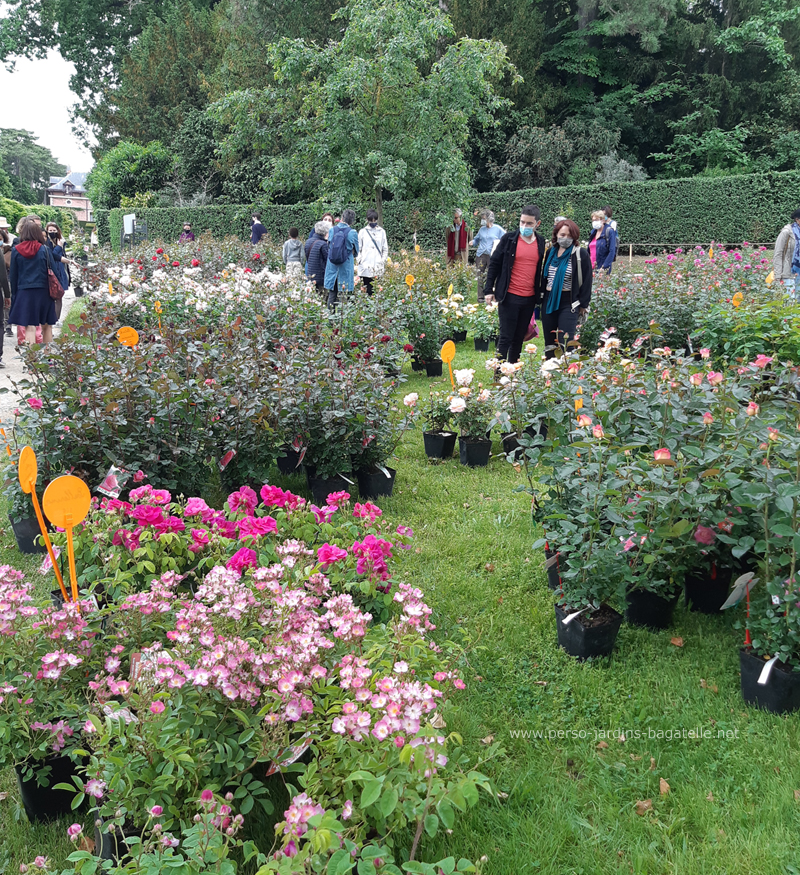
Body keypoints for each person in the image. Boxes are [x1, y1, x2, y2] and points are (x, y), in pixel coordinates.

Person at [482, 205, 546, 364]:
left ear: (537, 224)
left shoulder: (540, 242)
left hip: (529, 298)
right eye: (522, 222)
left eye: (529, 224)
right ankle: (499, 376)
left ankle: (512, 375)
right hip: (509, 296)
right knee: (505, 338)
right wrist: (488, 290)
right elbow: (494, 264)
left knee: (518, 338)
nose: (524, 226)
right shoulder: (509, 239)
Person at [540, 219, 593, 359]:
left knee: (567, 342)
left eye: (569, 236)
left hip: (569, 302)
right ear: (556, 234)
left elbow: (587, 281)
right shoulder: (551, 252)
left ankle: (568, 373)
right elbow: (545, 277)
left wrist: (583, 304)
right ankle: (549, 373)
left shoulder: (580, 254)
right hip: (549, 301)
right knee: (549, 343)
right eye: (562, 235)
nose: (565, 238)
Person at [9, 217, 57, 346]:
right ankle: (49, 359)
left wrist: (14, 295)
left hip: (25, 292)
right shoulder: (45, 250)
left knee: (30, 326)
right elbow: (54, 272)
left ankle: (32, 362)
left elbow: (13, 276)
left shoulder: (16, 250)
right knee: (47, 326)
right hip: (44, 292)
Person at [324, 208, 359, 309]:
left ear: (342, 217)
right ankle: (342, 320)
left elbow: (329, 246)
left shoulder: (332, 230)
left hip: (332, 266)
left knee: (332, 294)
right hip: (345, 267)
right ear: (352, 221)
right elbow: (356, 251)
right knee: (344, 296)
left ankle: (330, 320)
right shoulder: (352, 232)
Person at [470, 210, 505, 301]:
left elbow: (505, 238)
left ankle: (492, 295)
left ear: (489, 219)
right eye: (482, 218)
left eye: (484, 218)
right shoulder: (482, 229)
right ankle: (480, 297)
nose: (483, 220)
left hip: (492, 255)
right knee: (480, 275)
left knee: (492, 275)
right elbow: (476, 239)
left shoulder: (498, 229)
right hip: (481, 254)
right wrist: (473, 242)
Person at [357, 209, 388, 296]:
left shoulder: (382, 232)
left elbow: (385, 249)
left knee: (376, 291)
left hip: (378, 266)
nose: (373, 222)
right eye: (371, 220)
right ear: (367, 220)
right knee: (366, 291)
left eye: (375, 220)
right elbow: (358, 249)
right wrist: (360, 260)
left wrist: (382, 261)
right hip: (365, 266)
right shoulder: (362, 232)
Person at [772, 208, 800, 298]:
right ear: (797, 219)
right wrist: (778, 275)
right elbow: (778, 253)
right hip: (789, 274)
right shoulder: (787, 232)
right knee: (790, 304)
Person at [306, 221, 330, 294]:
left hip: (310, 275)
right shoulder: (323, 244)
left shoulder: (308, 242)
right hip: (321, 277)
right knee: (322, 298)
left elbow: (307, 258)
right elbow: (327, 261)